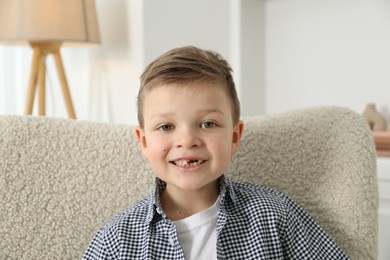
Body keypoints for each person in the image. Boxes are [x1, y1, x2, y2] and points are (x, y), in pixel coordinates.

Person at [83, 46, 349, 259]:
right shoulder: (116, 240)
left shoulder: (274, 215)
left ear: (234, 136)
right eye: (166, 126)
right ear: (143, 141)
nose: (187, 140)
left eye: (208, 124)